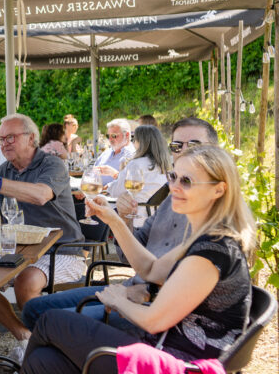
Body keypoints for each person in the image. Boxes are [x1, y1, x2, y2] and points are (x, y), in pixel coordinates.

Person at [22, 144, 255, 373]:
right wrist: (113, 219)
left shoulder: (212, 251)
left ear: (219, 190)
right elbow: (150, 269)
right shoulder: (204, 237)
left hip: (175, 364)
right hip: (162, 349)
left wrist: (117, 299)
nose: (174, 187)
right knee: (44, 360)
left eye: (187, 181)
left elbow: (154, 321)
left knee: (49, 321)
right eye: (173, 176)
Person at [22, 117, 219, 335]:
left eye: (194, 145)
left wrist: (138, 292)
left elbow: (178, 287)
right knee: (33, 310)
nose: (184, 151)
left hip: (156, 309)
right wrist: (122, 219)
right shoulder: (169, 202)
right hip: (135, 290)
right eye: (176, 145)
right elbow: (130, 260)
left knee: (49, 324)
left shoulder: (214, 221)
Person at [0, 113, 84, 360]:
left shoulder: (52, 164)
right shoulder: (6, 169)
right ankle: (25, 336)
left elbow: (40, 195)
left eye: (10, 137)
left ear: (31, 138)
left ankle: (48, 352)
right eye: (1, 139)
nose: (4, 143)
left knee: (25, 281)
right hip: (19, 251)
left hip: (62, 250)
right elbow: (0, 217)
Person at [106, 125, 171, 226]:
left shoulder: (136, 164)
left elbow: (116, 191)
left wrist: (109, 186)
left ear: (141, 142)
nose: (133, 142)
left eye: (134, 139)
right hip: (159, 219)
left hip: (136, 219)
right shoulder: (167, 165)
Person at [94, 118, 135, 185]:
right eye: (108, 136)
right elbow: (92, 173)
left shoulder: (132, 155)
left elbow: (133, 184)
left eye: (114, 135)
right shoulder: (107, 152)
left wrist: (114, 173)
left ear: (127, 135)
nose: (110, 139)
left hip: (113, 194)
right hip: (94, 191)